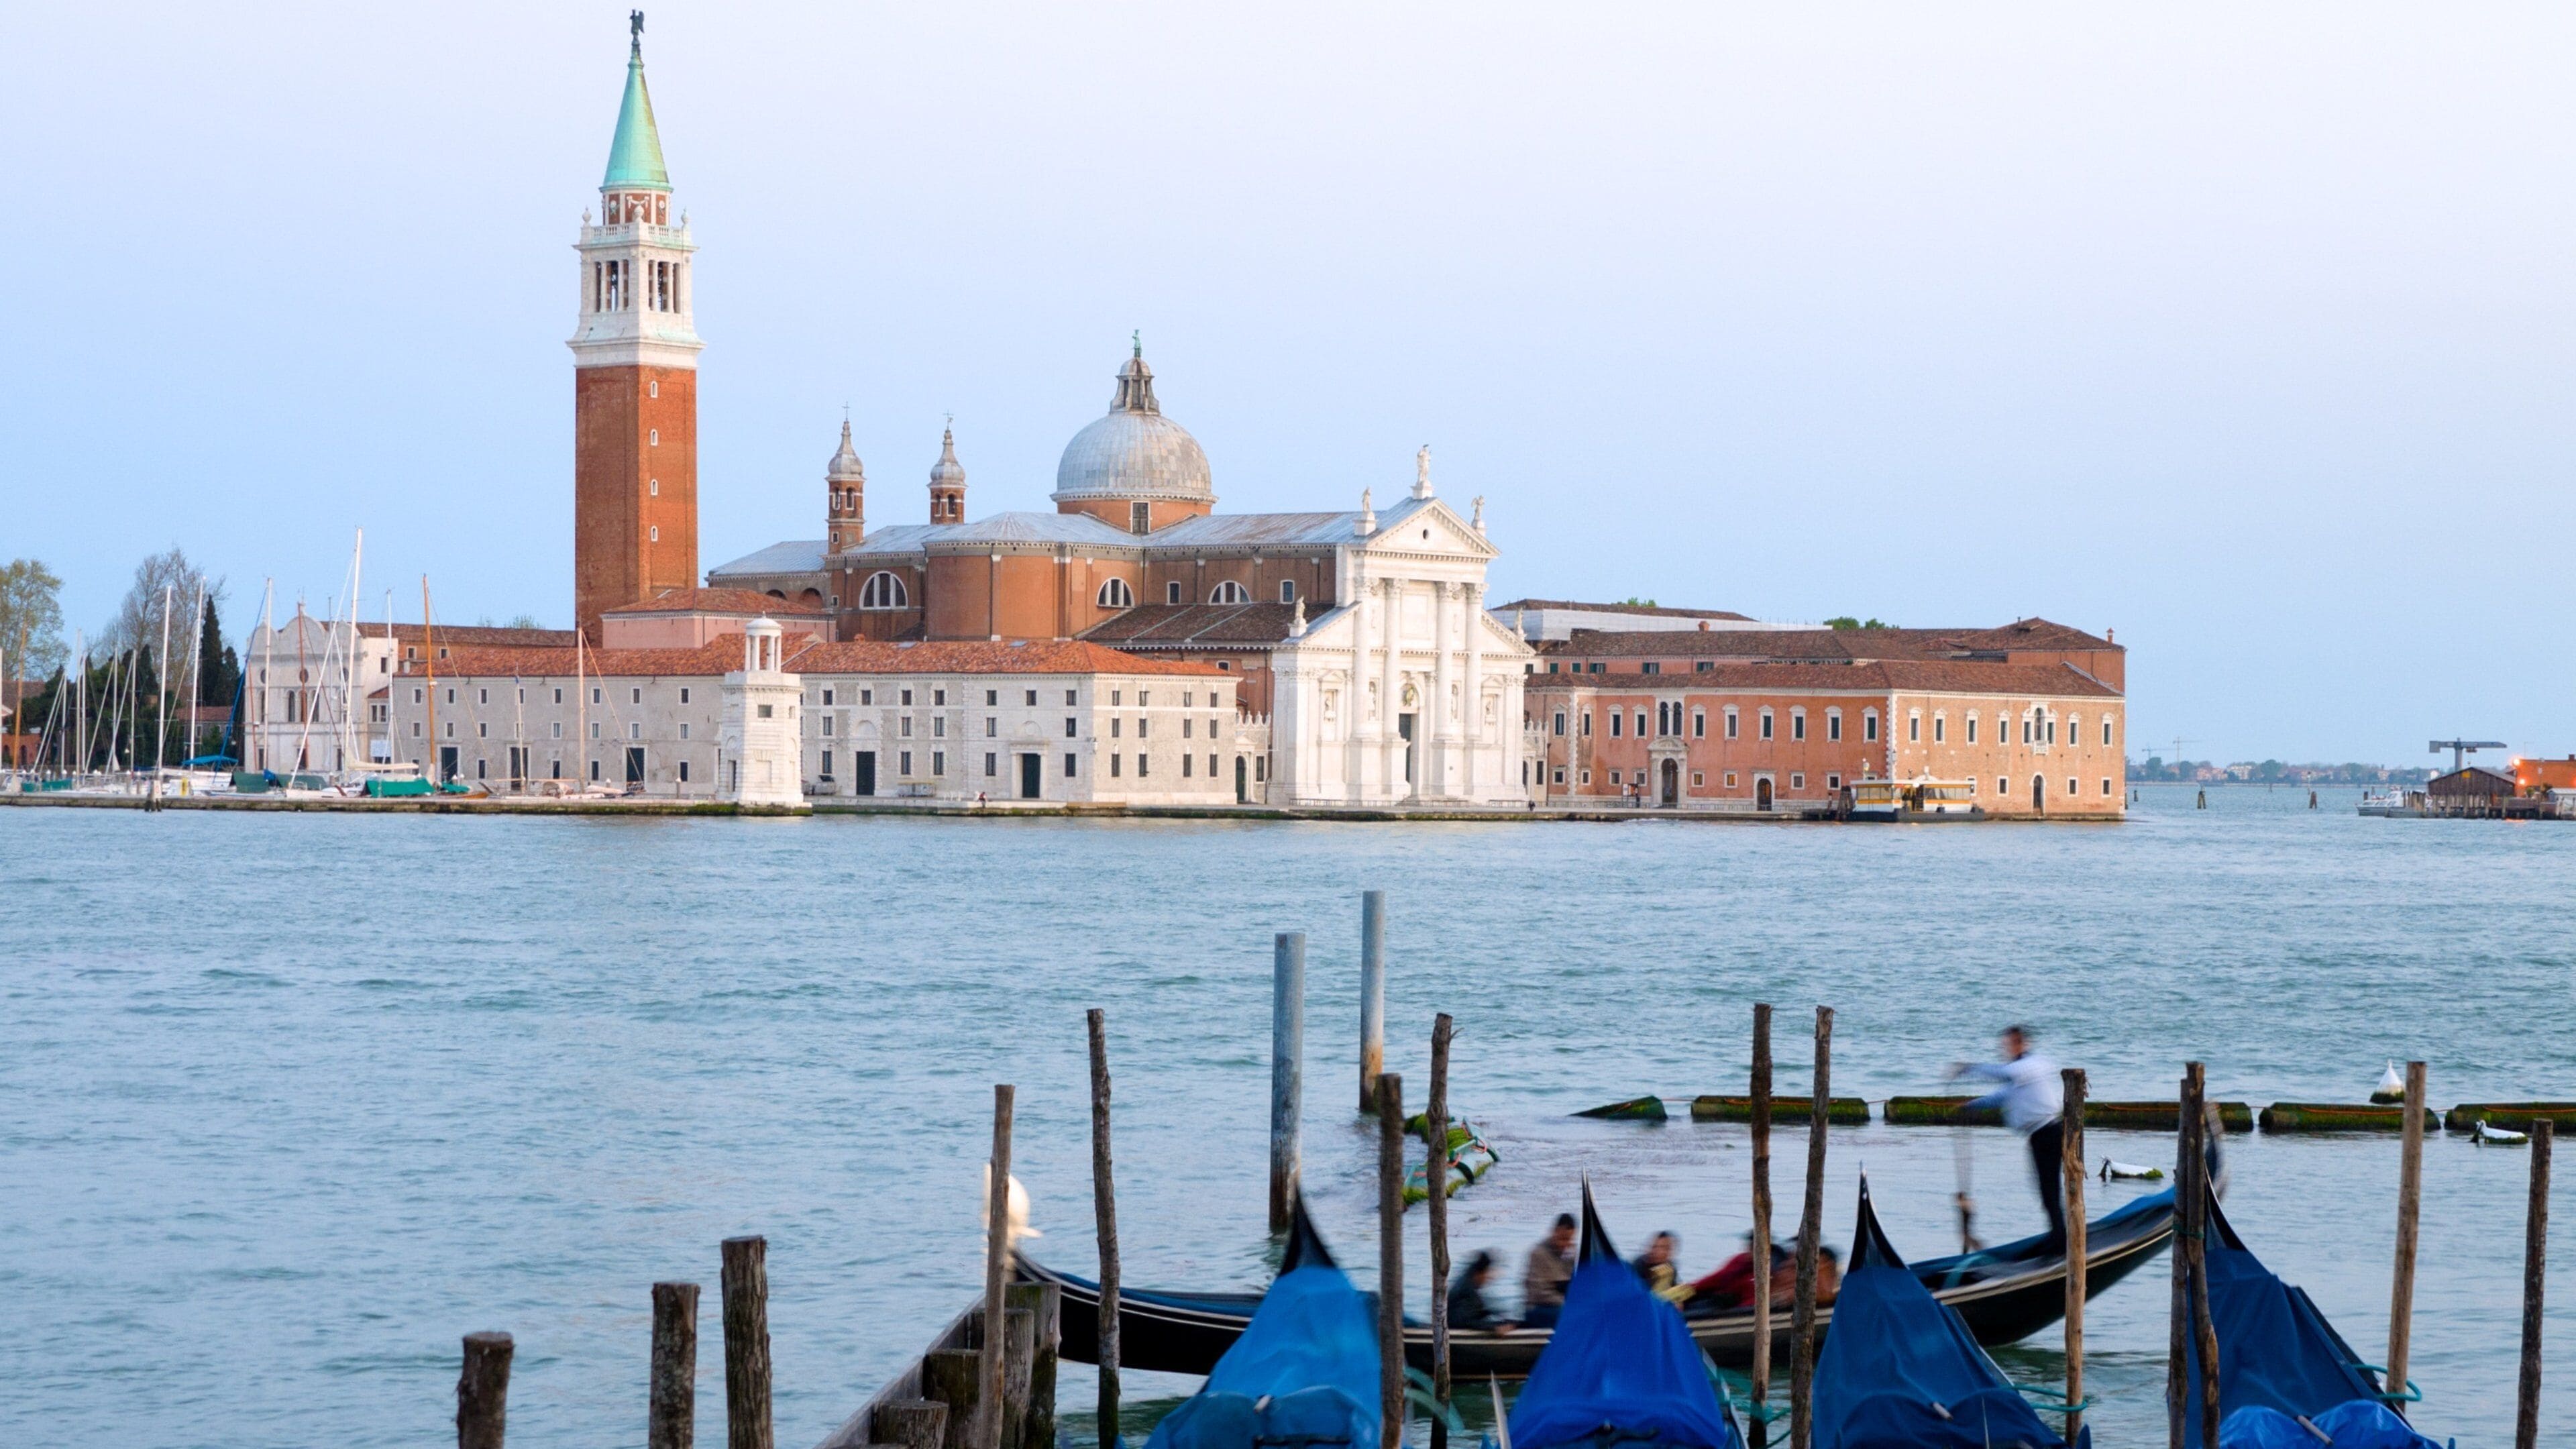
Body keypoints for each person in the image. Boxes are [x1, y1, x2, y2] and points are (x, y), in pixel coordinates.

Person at [1948, 1024, 2068, 1253]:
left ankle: (2061, 1240)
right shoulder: (2019, 1076)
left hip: (2049, 1133)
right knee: (2044, 1190)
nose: (2007, 1049)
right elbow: (2002, 1096)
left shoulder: (2033, 1065)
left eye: (2012, 1044)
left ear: (2024, 1044)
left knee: (2050, 1190)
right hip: (2037, 1136)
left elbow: (2004, 1073)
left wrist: (1968, 1069)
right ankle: (2057, 1234)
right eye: (2006, 1045)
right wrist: (1970, 1107)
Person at [1522, 1214, 1576, 1328]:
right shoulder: (1538, 1254)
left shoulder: (1571, 1253)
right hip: (1537, 1309)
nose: (1565, 1244)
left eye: (1569, 1240)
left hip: (1560, 1306)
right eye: (1563, 1239)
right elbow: (1540, 1294)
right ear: (1555, 1232)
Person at [1448, 1250, 1515, 1332]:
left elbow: (1475, 1312)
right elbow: (1466, 1321)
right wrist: (1494, 1328)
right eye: (1487, 1274)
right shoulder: (1467, 1290)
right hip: (1456, 1329)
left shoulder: (1467, 1282)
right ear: (1480, 1274)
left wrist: (1497, 1315)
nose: (1488, 1279)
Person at [1632, 1231, 1682, 1299]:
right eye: (1657, 1247)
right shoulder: (1639, 1266)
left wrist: (1679, 1300)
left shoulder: (1670, 1267)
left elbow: (1676, 1289)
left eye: (1667, 1249)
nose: (1662, 1252)